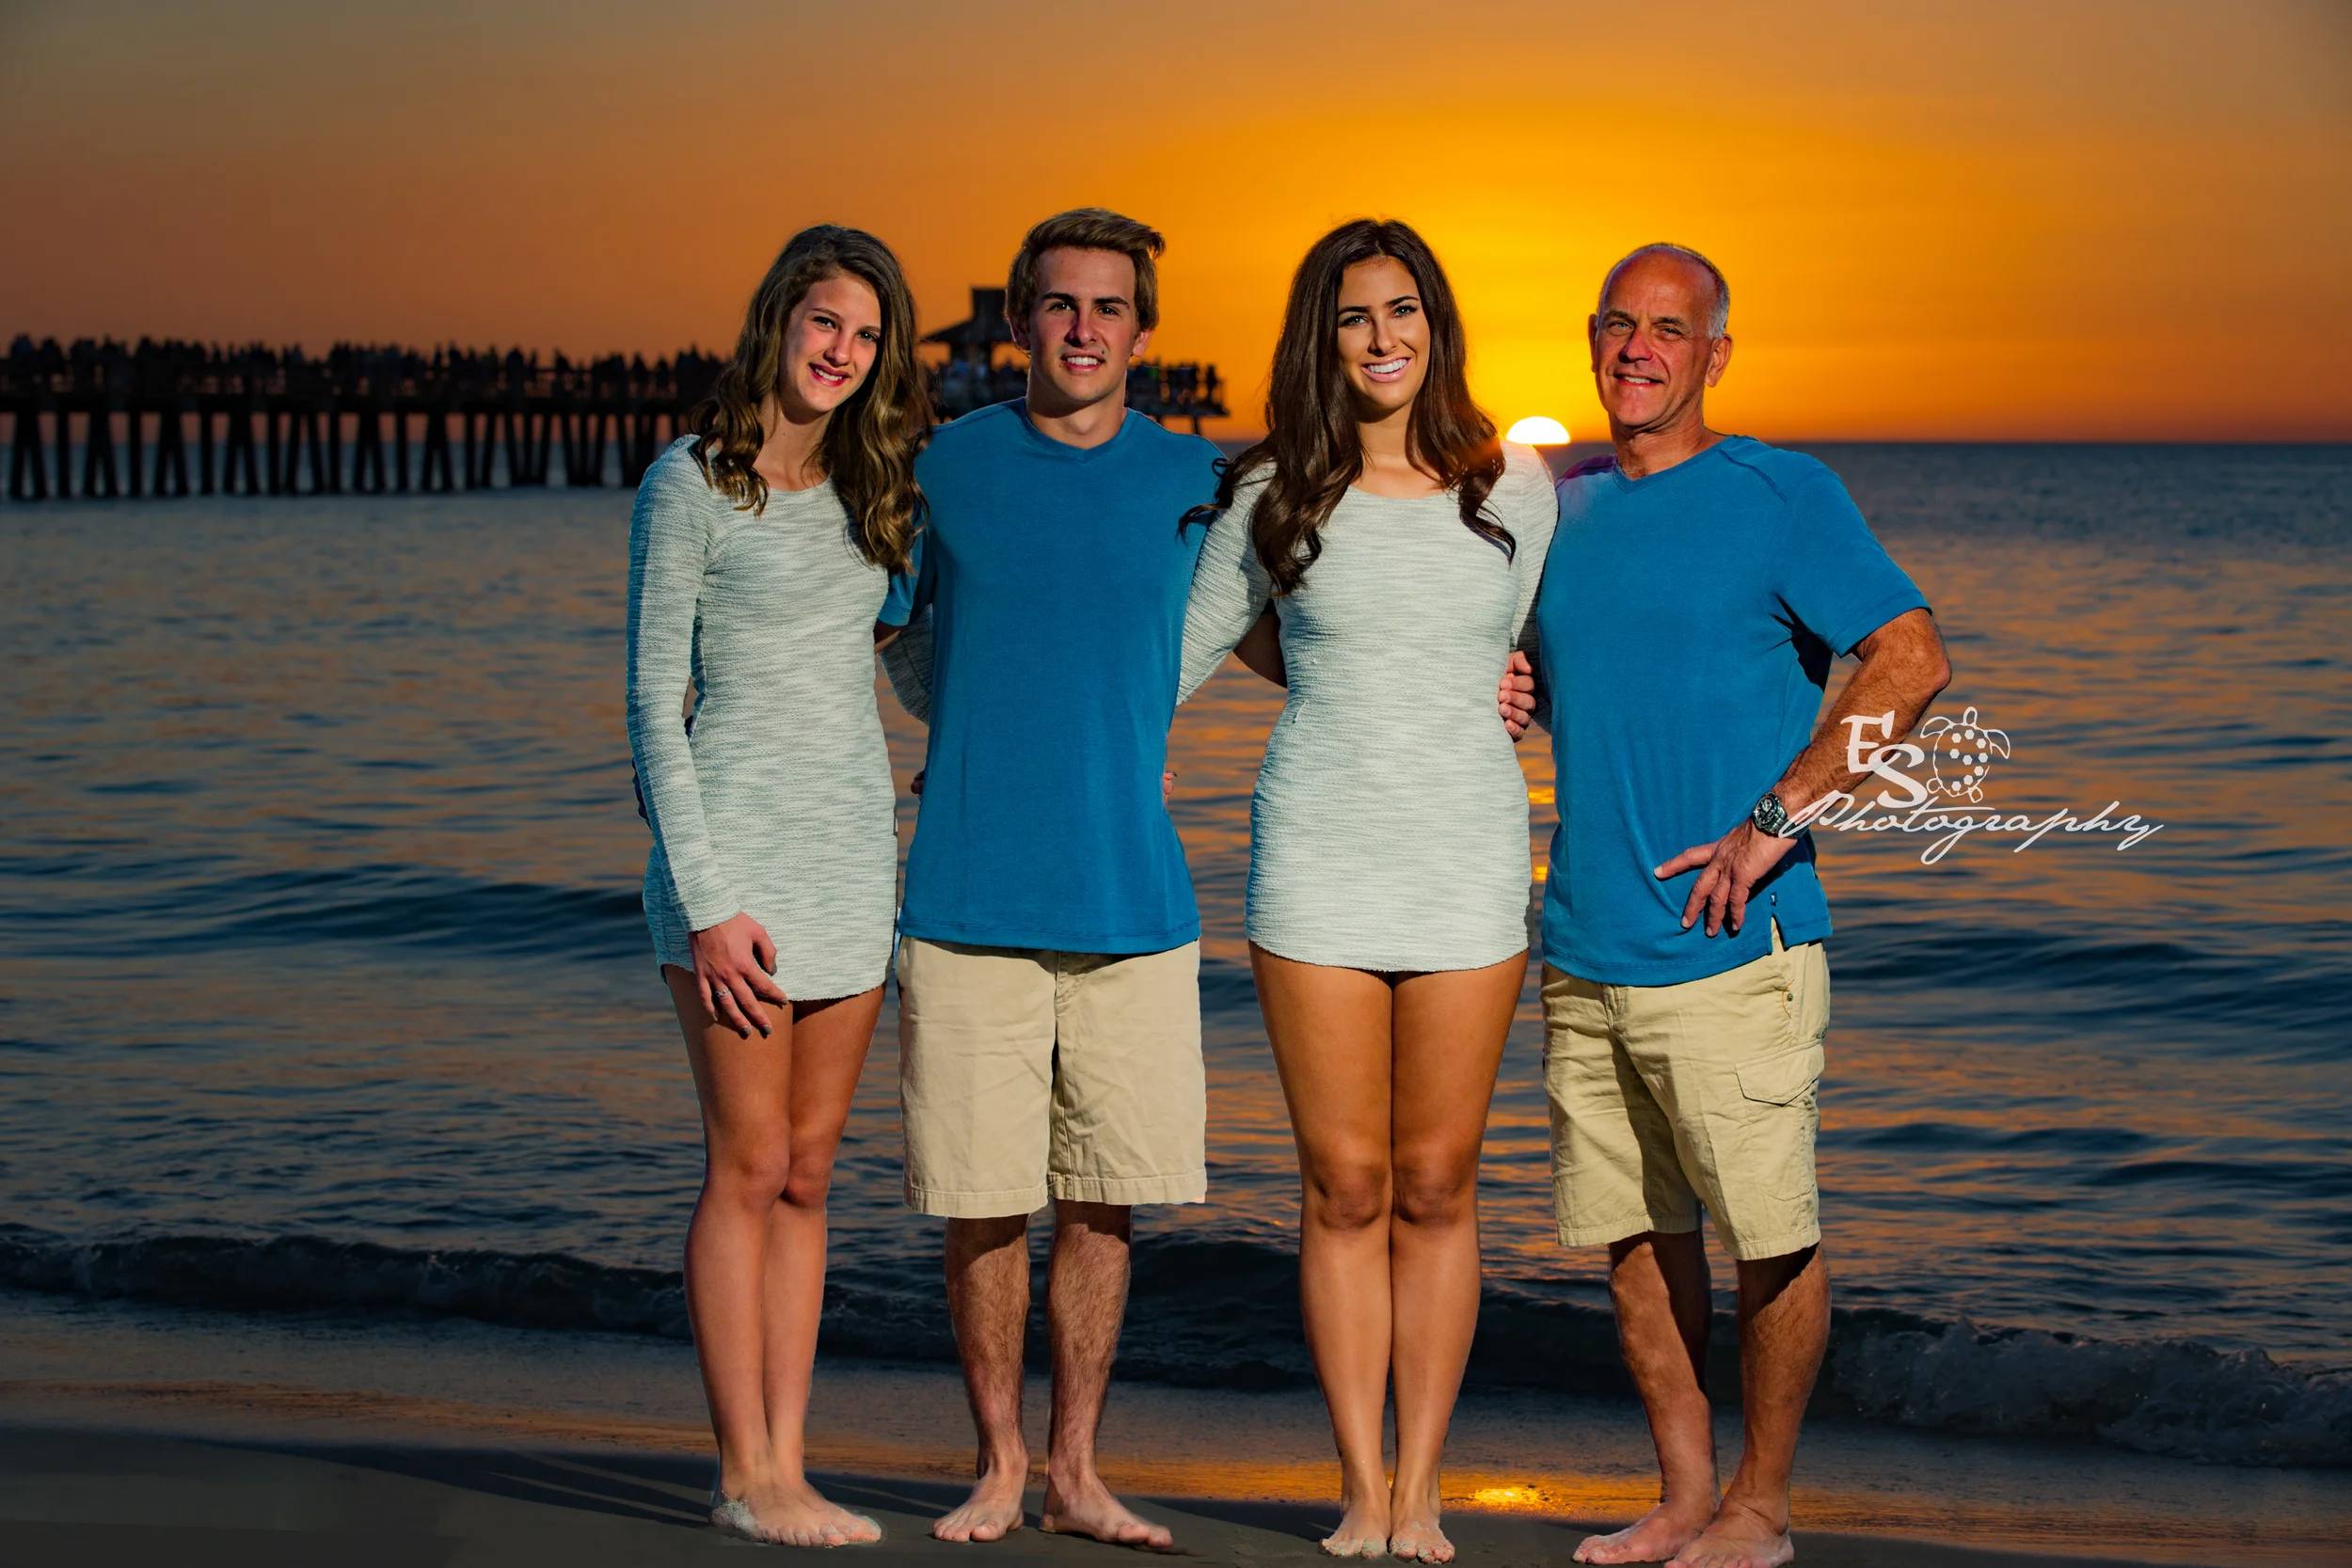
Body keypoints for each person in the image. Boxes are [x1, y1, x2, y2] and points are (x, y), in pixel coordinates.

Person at [1527, 244, 1950, 1568]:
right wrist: (1507, 688)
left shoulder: (1780, 494)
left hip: (1732, 953)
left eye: (1670, 330)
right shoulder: (1562, 511)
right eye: (1618, 325)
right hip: (1586, 945)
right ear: (1591, 340)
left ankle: (1762, 1507)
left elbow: (1912, 656)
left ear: (1715, 355)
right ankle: (1682, 1494)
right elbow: (1544, 670)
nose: (1637, 350)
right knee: (1638, 1241)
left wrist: (1776, 820)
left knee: (1770, 1236)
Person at [1176, 219, 1558, 1564]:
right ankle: (1358, 1484)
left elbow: (1562, 657)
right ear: (1320, 337)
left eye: (1404, 311)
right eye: (1354, 317)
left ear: (1438, 327)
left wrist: (1529, 691)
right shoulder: (1275, 492)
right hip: (1316, 858)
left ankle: (1426, 1485)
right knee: (1343, 1181)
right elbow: (1168, 657)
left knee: (1441, 1179)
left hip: (1465, 859)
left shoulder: (1516, 488)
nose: (1384, 337)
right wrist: (994, 744)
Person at [878, 209, 1219, 1550]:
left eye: (1110, 308)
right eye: (1060, 305)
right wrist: (954, 725)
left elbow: (1266, 626)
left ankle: (1077, 1467)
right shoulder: (944, 468)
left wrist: (1488, 679)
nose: (1084, 328)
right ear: (1021, 320)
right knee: (979, 1196)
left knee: (1102, 1192)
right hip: (966, 894)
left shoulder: (1193, 478)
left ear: (1143, 331)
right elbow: (894, 628)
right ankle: (999, 1464)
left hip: (1132, 899)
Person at [625, 225, 930, 1546]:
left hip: (855, 862)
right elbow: (650, 700)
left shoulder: (875, 493)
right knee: (744, 1165)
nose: (840, 351)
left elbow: (900, 662)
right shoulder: (688, 485)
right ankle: (744, 1471)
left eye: (865, 336)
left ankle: (791, 1460)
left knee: (810, 1174)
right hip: (734, 873)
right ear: (777, 320)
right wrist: (706, 899)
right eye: (824, 322)